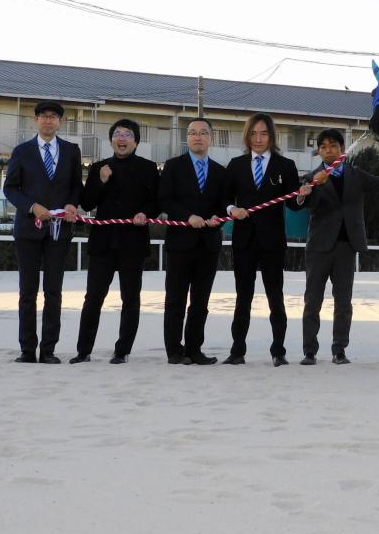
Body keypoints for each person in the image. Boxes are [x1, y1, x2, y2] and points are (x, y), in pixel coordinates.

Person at [296, 128, 379, 365]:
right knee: (313, 300)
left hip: (346, 247)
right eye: (324, 147)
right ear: (319, 151)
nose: (329, 151)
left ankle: (339, 349)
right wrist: (304, 194)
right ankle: (310, 350)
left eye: (333, 146)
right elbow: (300, 204)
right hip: (319, 247)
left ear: (342, 149)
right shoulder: (312, 178)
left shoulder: (356, 175)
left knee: (343, 301)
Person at [70, 119, 160, 365]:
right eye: (117, 134)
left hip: (133, 241)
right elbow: (87, 203)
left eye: (127, 135)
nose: (122, 139)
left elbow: (157, 201)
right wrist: (100, 180)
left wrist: (145, 213)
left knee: (130, 298)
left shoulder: (149, 168)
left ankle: (122, 351)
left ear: (136, 141)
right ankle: (83, 350)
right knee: (93, 297)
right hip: (103, 243)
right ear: (111, 140)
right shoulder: (100, 166)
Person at [3, 100, 82, 364]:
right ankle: (27, 350)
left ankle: (48, 349)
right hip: (28, 229)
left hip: (59, 231)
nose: (48, 121)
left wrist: (72, 203)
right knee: (27, 292)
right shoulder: (22, 151)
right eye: (43, 116)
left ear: (60, 122)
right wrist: (31, 207)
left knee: (53, 291)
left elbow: (75, 186)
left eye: (53, 117)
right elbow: (10, 188)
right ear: (35, 120)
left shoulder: (71, 151)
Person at [222, 113, 304, 367]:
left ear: (272, 136)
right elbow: (224, 199)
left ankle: (278, 351)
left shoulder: (286, 166)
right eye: (253, 134)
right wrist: (231, 210)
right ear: (247, 136)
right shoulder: (235, 165)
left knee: (275, 296)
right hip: (244, 241)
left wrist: (302, 196)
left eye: (263, 133)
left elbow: (293, 202)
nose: (258, 139)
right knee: (242, 296)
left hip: (272, 242)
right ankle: (237, 351)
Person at [158, 117, 227, 365]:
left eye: (203, 132)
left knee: (200, 301)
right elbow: (165, 200)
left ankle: (194, 349)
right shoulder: (173, 166)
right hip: (179, 243)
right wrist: (188, 217)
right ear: (186, 138)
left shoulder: (221, 171)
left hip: (208, 245)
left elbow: (224, 205)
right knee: (175, 299)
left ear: (211, 137)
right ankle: (174, 351)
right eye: (192, 133)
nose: (197, 137)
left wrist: (216, 219)